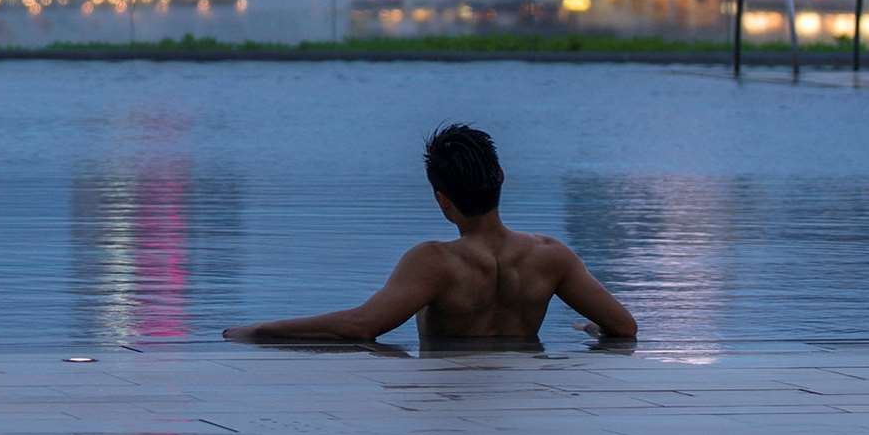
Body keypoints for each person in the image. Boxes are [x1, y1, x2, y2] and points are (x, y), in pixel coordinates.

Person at [222, 123, 636, 345]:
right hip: (522, 393)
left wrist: (257, 331)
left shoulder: (436, 263)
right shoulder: (551, 257)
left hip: (449, 392)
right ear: (502, 178)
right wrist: (592, 330)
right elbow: (623, 327)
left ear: (442, 200)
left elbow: (360, 326)